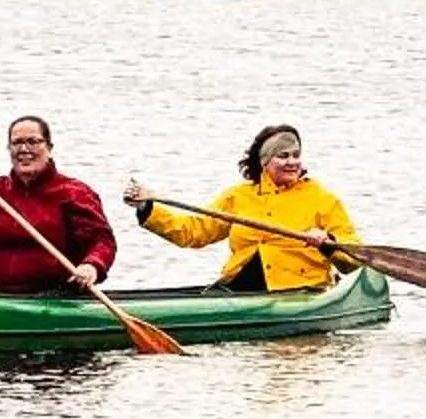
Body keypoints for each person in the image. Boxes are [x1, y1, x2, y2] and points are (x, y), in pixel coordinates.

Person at [124, 123, 361, 292]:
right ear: (265, 162)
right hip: (239, 287)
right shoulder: (239, 196)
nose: (292, 162)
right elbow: (193, 232)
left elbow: (354, 260)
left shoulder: (322, 198)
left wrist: (328, 244)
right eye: (283, 156)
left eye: (296, 155)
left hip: (301, 290)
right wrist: (147, 208)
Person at [0, 115, 117, 295]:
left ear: (49, 148)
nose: (24, 149)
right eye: (17, 143)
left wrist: (91, 266)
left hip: (57, 296)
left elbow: (102, 240)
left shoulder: (74, 193)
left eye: (33, 141)